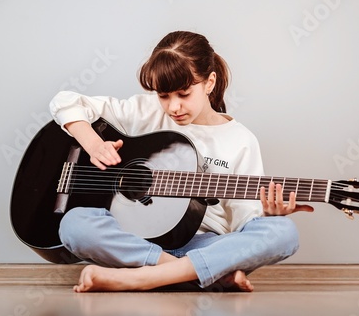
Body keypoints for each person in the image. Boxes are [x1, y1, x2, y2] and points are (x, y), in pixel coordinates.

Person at [49, 30, 314, 293]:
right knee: (74, 224)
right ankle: (186, 273)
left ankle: (141, 278)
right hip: (135, 240)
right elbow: (65, 102)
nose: (173, 107)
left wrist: (268, 213)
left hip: (203, 245)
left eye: (183, 94)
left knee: (282, 232)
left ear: (209, 82)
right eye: (164, 96)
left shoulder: (240, 140)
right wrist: (94, 144)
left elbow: (244, 222)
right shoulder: (147, 111)